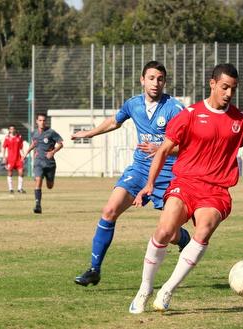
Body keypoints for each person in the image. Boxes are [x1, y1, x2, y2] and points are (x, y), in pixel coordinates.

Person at [128, 63, 243, 314]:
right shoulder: (189, 114)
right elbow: (164, 150)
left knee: (204, 231)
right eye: (224, 87)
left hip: (216, 190)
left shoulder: (241, 120)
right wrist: (149, 184)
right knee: (164, 231)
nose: (228, 94)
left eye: (233, 89)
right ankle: (145, 288)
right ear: (212, 84)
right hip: (185, 183)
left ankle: (168, 288)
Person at [72, 61, 190, 287]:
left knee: (169, 232)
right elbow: (114, 122)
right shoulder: (133, 104)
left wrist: (161, 149)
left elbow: (189, 145)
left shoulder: (175, 109)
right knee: (109, 210)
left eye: (160, 79)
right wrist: (90, 133)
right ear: (142, 80)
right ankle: (94, 269)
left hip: (167, 174)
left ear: (165, 82)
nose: (156, 83)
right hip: (139, 170)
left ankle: (184, 239)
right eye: (152, 78)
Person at [23, 113, 63, 214]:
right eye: (40, 120)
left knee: (50, 186)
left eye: (44, 120)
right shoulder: (34, 133)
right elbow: (34, 143)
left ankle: (49, 179)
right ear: (37, 121)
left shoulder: (51, 132)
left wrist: (53, 152)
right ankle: (38, 205)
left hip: (50, 164)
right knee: (38, 180)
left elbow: (61, 144)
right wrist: (26, 152)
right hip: (38, 162)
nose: (42, 122)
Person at [3, 125, 26, 194]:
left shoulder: (19, 137)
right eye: (11, 129)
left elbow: (21, 148)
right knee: (10, 173)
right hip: (10, 159)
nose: (12, 130)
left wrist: (23, 156)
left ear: (15, 129)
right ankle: (11, 189)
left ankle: (20, 189)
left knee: (21, 172)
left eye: (13, 129)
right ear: (9, 130)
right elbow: (4, 148)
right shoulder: (7, 138)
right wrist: (4, 157)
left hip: (18, 158)